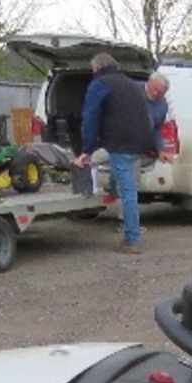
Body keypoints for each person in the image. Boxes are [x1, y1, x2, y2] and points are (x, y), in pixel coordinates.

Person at [75, 52, 154, 254]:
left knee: (128, 191)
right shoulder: (132, 84)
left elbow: (90, 118)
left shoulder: (100, 84)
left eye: (93, 70)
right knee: (122, 177)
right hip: (139, 143)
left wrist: (86, 149)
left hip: (120, 144)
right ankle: (111, 188)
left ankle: (132, 239)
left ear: (98, 68)